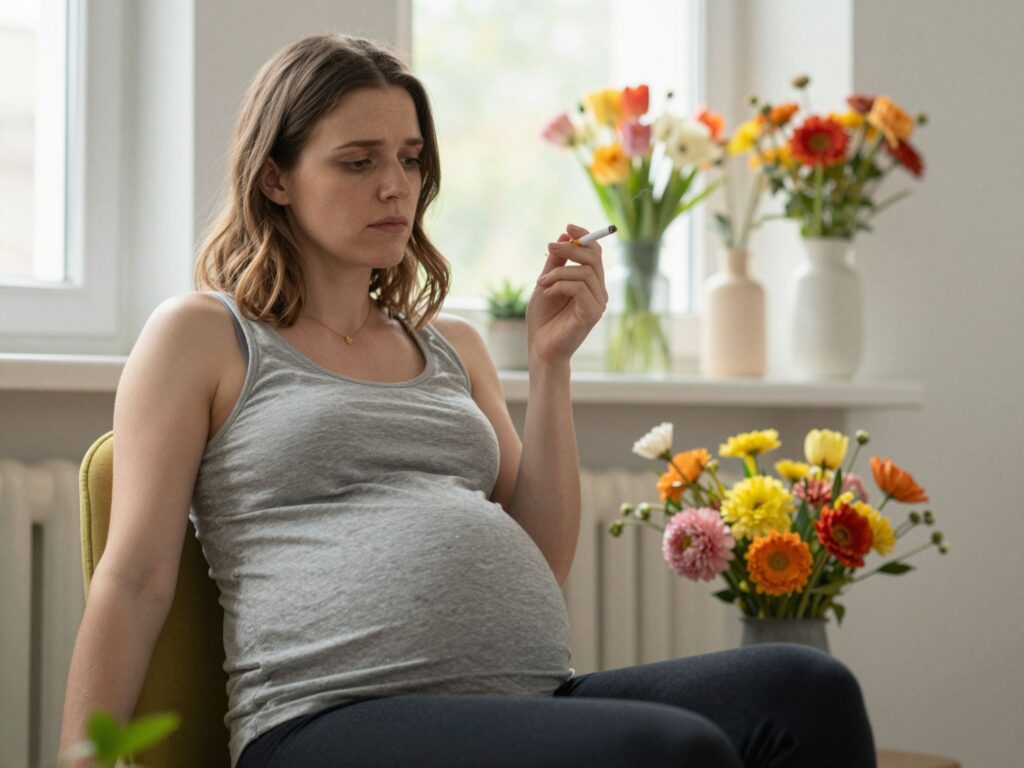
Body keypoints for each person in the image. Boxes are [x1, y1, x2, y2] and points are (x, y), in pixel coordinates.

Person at [58, 33, 877, 768]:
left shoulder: (454, 345)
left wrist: (551, 369)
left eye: (411, 159)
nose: (396, 186)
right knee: (670, 751)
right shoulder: (203, 334)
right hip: (325, 722)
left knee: (806, 688)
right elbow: (133, 580)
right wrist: (81, 758)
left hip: (524, 703)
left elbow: (541, 557)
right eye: (359, 161)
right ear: (275, 176)